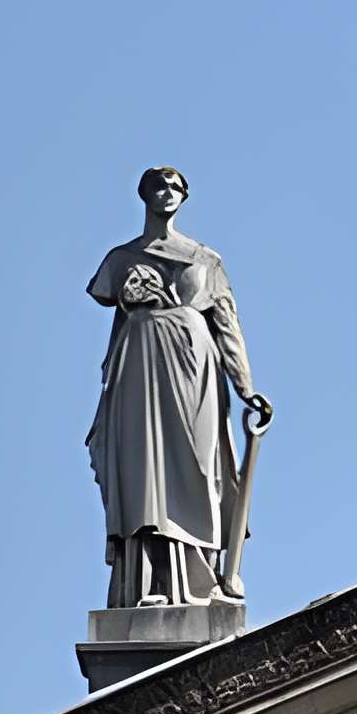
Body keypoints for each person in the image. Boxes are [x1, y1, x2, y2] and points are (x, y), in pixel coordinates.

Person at [85, 166, 270, 608]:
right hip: (140, 364)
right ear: (144, 195)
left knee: (198, 468)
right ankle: (150, 583)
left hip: (194, 367)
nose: (166, 193)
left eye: (175, 187)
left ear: (184, 197)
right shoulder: (121, 259)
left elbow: (227, 325)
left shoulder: (205, 259)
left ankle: (203, 579)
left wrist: (246, 387)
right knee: (146, 471)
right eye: (158, 186)